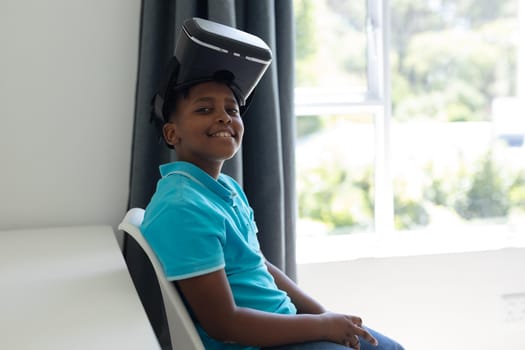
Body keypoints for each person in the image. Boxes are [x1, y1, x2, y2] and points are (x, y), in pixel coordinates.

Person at [141, 77, 405, 350]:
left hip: (281, 326)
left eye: (232, 110)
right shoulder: (183, 207)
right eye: (204, 110)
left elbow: (258, 264)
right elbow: (224, 324)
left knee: (390, 348)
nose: (223, 117)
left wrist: (325, 316)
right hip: (255, 344)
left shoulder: (224, 189)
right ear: (172, 134)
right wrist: (323, 326)